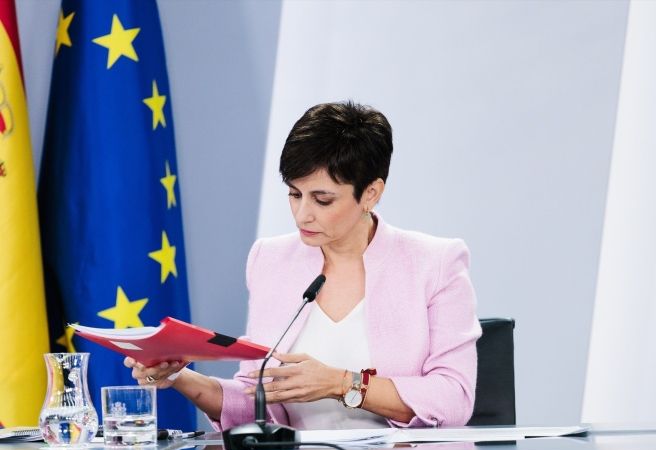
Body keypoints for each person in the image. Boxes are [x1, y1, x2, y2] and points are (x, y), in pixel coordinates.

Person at [125, 101, 481, 430]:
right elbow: (258, 403)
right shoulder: (271, 259)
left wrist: (340, 384)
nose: (302, 215)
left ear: (371, 193)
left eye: (322, 199)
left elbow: (454, 399)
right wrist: (180, 378)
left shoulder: (435, 263)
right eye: (294, 194)